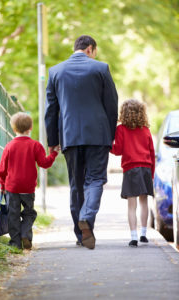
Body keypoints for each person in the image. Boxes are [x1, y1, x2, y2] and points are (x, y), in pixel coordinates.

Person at [45, 35, 118, 249]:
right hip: (98, 135)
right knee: (95, 180)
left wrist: (52, 141)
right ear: (90, 49)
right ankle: (86, 218)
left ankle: (81, 235)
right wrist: (110, 135)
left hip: (70, 136)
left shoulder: (55, 71)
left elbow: (51, 111)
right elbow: (112, 105)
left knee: (76, 185)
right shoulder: (101, 69)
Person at [0, 112, 59, 249]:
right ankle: (25, 233)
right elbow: (44, 163)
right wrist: (54, 153)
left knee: (13, 214)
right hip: (28, 187)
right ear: (30, 128)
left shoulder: (9, 146)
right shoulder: (35, 145)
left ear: (14, 129)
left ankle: (15, 243)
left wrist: (2, 185)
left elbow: (2, 169)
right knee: (29, 212)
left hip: (12, 187)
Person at [110, 99, 155, 247]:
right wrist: (152, 174)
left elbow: (117, 150)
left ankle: (134, 236)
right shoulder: (146, 130)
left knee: (132, 205)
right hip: (146, 169)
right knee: (144, 202)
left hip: (131, 169)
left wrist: (107, 145)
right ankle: (143, 234)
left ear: (124, 113)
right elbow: (151, 152)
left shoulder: (121, 129)